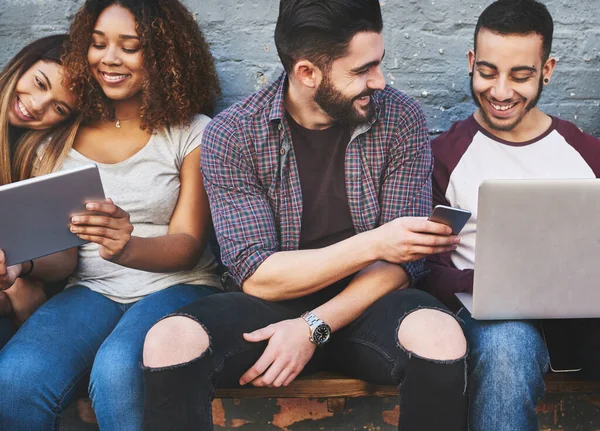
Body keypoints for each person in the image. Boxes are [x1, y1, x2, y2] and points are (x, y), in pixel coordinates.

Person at [142, 0, 469, 430]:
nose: (380, 81)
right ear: (307, 73)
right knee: (169, 342)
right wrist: (375, 241)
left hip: (372, 299)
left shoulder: (400, 117)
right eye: (362, 70)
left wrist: (313, 325)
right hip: (270, 306)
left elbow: (403, 261)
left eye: (379, 64)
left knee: (440, 337)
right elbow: (256, 274)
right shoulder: (234, 133)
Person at [0, 0, 222, 429]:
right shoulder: (58, 136)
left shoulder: (193, 130)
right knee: (15, 380)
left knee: (118, 373)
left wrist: (128, 247)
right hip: (90, 290)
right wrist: (23, 265)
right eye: (98, 44)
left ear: (164, 55)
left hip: (178, 286)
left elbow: (189, 247)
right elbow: (64, 255)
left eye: (130, 46)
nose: (109, 59)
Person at [419, 1, 600, 430]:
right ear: (470, 62)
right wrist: (481, 283)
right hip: (491, 320)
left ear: (547, 69)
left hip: (580, 318)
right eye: (487, 72)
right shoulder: (444, 157)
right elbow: (422, 268)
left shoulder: (588, 155)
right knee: (507, 349)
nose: (500, 92)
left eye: (521, 76)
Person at [0, 34, 78, 348]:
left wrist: (20, 275)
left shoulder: (42, 155)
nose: (35, 105)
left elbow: (65, 256)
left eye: (58, 108)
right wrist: (15, 295)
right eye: (40, 83)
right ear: (24, 62)